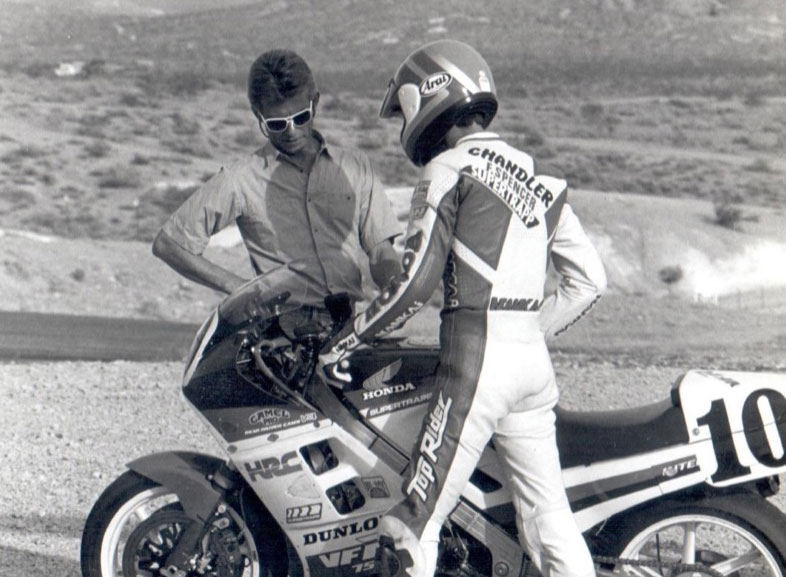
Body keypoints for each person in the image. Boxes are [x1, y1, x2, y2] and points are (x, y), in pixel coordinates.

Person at [319, 40, 606, 577]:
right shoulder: (543, 180)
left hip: (477, 368)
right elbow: (590, 281)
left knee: (411, 527)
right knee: (548, 520)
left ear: (430, 97)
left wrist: (347, 340)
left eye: (403, 108)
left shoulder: (449, 169)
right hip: (530, 369)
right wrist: (528, 332)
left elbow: (414, 284)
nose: (405, 121)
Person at [152, 49, 402, 305]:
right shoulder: (239, 179)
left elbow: (381, 249)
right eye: (277, 124)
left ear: (315, 102)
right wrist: (242, 290)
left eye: (301, 118)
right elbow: (169, 244)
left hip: (349, 327)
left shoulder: (356, 167)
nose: (292, 132)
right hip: (280, 333)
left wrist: (395, 285)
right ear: (257, 114)